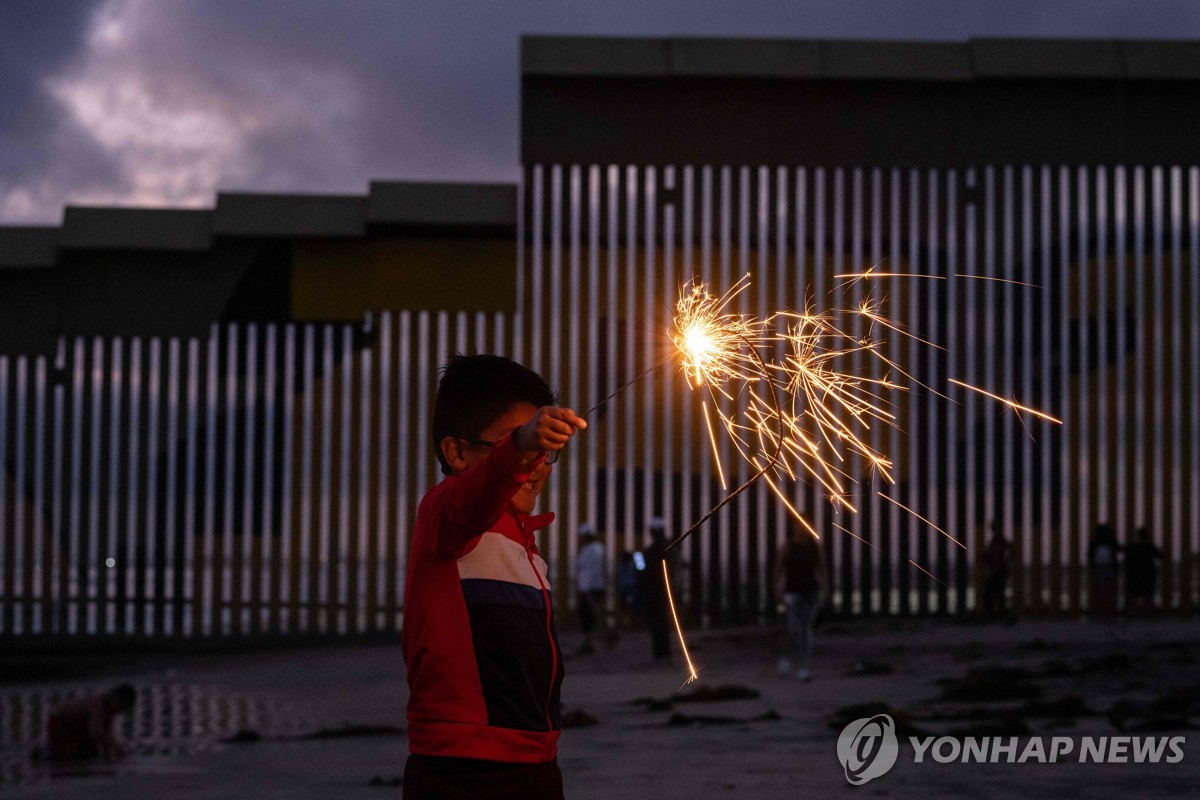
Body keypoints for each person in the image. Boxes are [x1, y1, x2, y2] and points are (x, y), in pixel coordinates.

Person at [402, 354, 586, 800]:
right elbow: (476, 497)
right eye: (521, 445)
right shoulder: (445, 515)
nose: (538, 462)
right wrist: (519, 448)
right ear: (458, 452)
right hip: (464, 772)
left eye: (547, 450)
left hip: (537, 764)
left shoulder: (526, 546)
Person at [773, 520, 822, 682]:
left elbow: (822, 568)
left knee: (806, 631)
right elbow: (778, 569)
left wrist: (825, 589)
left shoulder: (814, 547)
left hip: (810, 593)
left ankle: (803, 667)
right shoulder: (788, 546)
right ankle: (787, 660)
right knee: (794, 629)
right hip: (792, 593)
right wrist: (778, 590)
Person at [45, 683, 136, 761]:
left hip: (76, 729)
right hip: (60, 725)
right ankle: (48, 753)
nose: (119, 712)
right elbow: (95, 732)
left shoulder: (109, 711)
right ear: (116, 698)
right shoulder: (97, 704)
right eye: (121, 707)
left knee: (91, 752)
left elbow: (106, 735)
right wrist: (116, 747)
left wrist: (110, 754)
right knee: (72, 754)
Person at [573, 523, 613, 654]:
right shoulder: (598, 548)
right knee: (595, 615)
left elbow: (588, 572)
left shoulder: (589, 551)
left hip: (588, 589)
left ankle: (591, 642)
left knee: (588, 617)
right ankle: (606, 637)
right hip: (596, 587)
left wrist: (584, 590)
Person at [639, 517, 672, 661]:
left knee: (656, 622)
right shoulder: (672, 547)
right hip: (667, 591)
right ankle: (664, 650)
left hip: (654, 592)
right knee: (664, 621)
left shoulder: (651, 551)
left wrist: (637, 558)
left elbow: (642, 570)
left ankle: (659, 651)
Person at [1124, 527, 1162, 614]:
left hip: (1136, 574)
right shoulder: (1150, 546)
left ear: (1138, 536)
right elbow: (1159, 556)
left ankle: (1133, 612)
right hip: (1148, 573)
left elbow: (1127, 560)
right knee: (1148, 595)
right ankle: (1148, 612)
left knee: (1135, 594)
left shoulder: (1133, 547)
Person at [1088, 522, 1122, 618]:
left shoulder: (1095, 541)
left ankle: (1098, 610)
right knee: (1110, 590)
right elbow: (1119, 549)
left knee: (1099, 590)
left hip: (1099, 569)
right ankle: (1109, 611)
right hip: (1110, 568)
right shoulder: (1111, 541)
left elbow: (1090, 556)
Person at [982, 522, 1012, 618]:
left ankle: (992, 612)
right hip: (998, 570)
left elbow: (996, 555)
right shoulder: (997, 540)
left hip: (998, 571)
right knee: (997, 592)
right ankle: (997, 612)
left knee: (992, 592)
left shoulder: (998, 540)